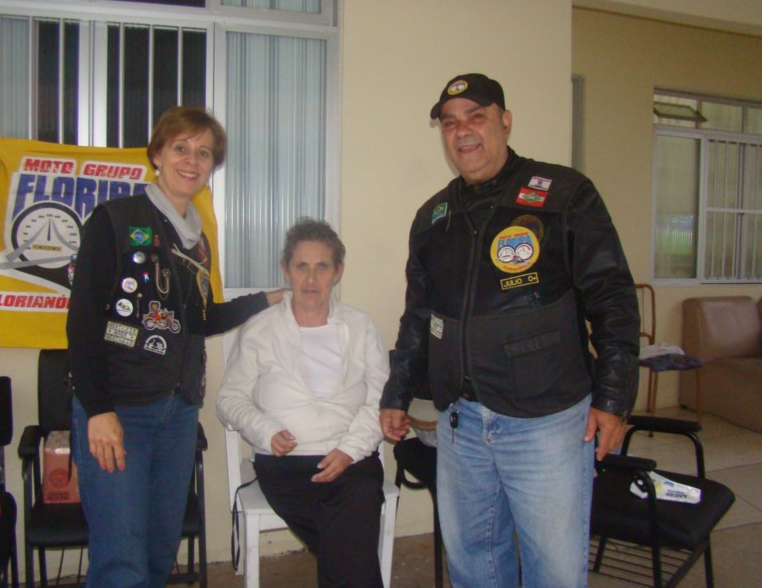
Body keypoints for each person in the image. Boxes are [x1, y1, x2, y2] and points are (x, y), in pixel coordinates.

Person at [379, 73, 640, 587]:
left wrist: (613, 399)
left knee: (554, 569)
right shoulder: (433, 218)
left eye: (476, 117)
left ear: (505, 121)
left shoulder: (565, 194)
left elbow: (612, 298)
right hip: (461, 422)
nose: (462, 131)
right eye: (450, 123)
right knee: (474, 563)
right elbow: (418, 317)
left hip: (546, 422)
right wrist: (397, 391)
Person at [67, 106, 285, 587]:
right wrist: (98, 410)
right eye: (181, 148)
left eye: (204, 153)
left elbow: (198, 321)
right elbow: (82, 325)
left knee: (160, 550)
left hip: (178, 413)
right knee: (121, 560)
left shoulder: (196, 241)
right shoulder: (114, 220)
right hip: (119, 410)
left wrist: (265, 299)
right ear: (158, 155)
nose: (192, 160)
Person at [217, 218, 389, 588]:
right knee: (350, 537)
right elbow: (229, 399)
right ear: (286, 270)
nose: (311, 279)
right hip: (286, 466)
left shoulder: (360, 327)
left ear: (338, 272)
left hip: (351, 462)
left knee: (356, 503)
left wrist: (349, 450)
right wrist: (265, 430)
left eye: (322, 267)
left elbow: (381, 398)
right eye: (301, 266)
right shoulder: (260, 329)